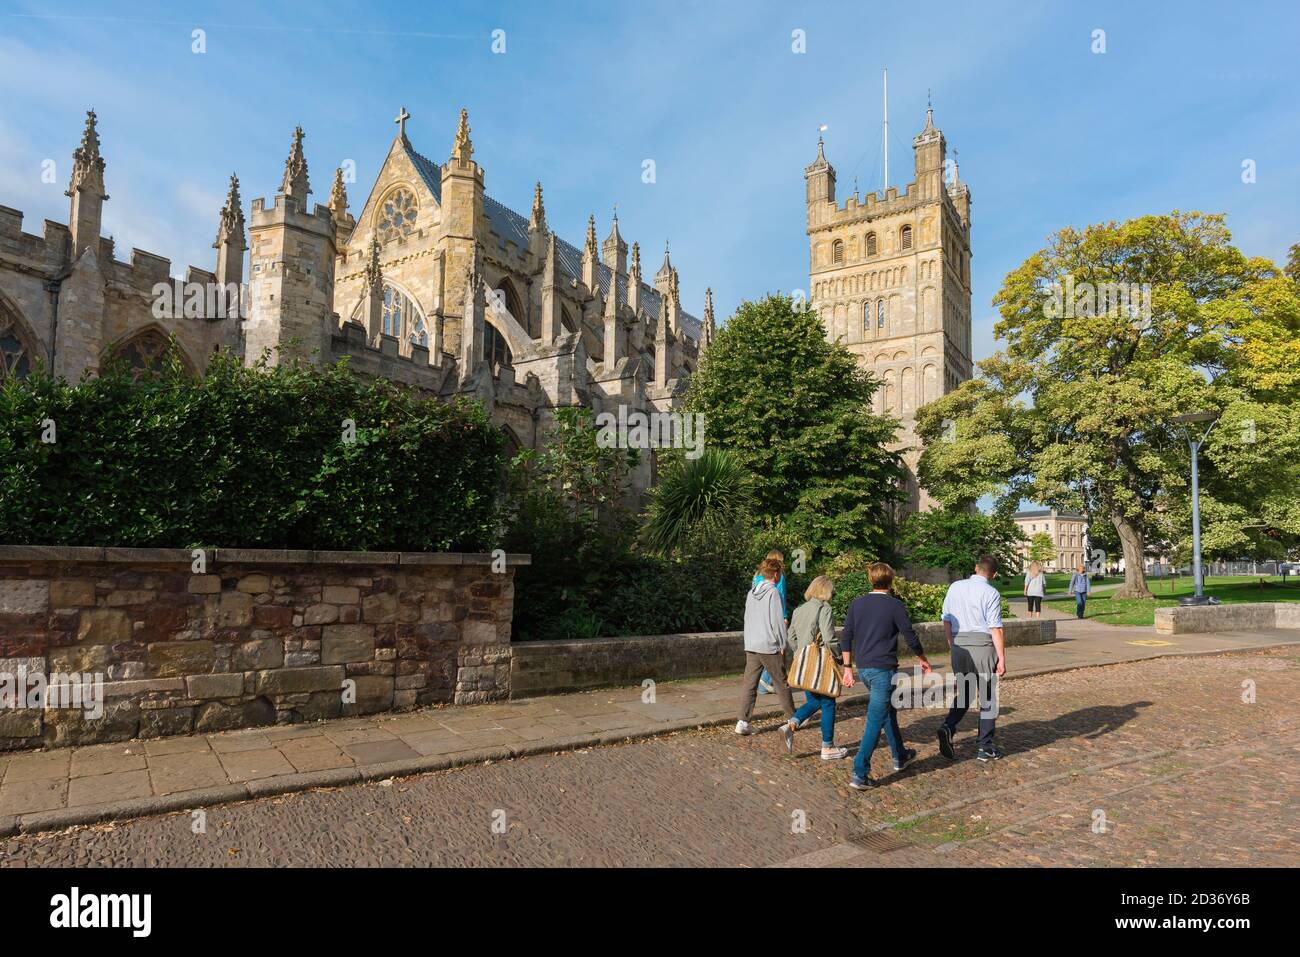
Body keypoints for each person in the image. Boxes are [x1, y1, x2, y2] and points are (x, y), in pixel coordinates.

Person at [838, 562, 931, 790]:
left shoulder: (857, 604)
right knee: (875, 720)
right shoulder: (894, 606)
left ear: (871, 579)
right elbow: (910, 635)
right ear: (891, 581)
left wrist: (848, 667)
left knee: (888, 712)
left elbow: (845, 636)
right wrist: (922, 658)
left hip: (865, 669)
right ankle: (860, 772)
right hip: (883, 670)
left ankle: (900, 756)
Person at [937, 555, 1006, 763]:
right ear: (994, 574)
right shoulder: (991, 592)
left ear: (976, 568)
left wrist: (952, 644)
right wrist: (1001, 658)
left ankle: (948, 726)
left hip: (959, 645)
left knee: (965, 693)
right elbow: (995, 628)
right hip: (982, 646)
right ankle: (985, 746)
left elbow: (946, 620)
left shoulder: (955, 587)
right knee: (987, 699)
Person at [777, 576, 848, 760]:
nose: (833, 594)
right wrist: (840, 658)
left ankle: (791, 725)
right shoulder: (824, 609)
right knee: (828, 702)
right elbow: (829, 638)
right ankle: (827, 747)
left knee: (815, 701)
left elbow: (790, 637)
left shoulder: (799, 610)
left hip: (803, 664)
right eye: (832, 590)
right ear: (825, 591)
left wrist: (801, 652)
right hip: (820, 664)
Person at [736, 557, 798, 747]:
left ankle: (742, 722)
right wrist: (781, 643)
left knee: (750, 684)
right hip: (768, 645)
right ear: (777, 574)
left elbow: (748, 618)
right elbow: (777, 622)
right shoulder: (773, 594)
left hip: (752, 644)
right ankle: (793, 719)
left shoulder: (751, 592)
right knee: (781, 683)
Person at [753, 550, 789, 694]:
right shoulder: (779, 577)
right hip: (776, 615)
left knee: (763, 649)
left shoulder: (757, 576)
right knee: (779, 650)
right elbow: (781, 597)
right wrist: (784, 617)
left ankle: (764, 681)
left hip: (759, 617)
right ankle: (765, 681)